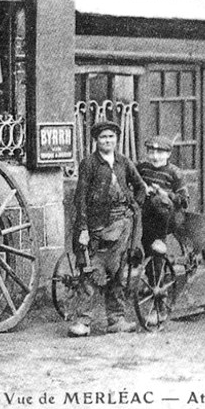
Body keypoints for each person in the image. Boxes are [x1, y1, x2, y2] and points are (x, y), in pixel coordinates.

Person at [70, 120, 148, 337]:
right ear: (96, 140)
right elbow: (81, 197)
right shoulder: (89, 164)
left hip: (122, 224)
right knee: (91, 269)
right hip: (96, 225)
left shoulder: (123, 162)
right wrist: (83, 227)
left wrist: (134, 207)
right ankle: (83, 321)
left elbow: (141, 186)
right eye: (103, 137)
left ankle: (116, 319)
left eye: (111, 137)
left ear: (116, 139)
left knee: (118, 270)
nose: (108, 141)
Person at [136, 134, 189, 327]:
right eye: (151, 151)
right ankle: (151, 278)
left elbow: (184, 200)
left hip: (170, 217)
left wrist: (166, 194)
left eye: (160, 152)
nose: (155, 156)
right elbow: (133, 181)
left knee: (161, 202)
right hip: (149, 216)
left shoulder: (174, 173)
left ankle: (160, 307)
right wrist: (143, 188)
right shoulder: (142, 168)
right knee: (147, 249)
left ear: (168, 154)